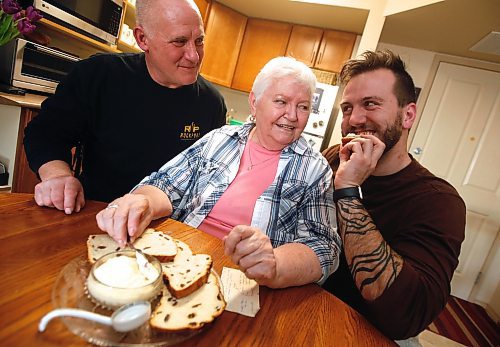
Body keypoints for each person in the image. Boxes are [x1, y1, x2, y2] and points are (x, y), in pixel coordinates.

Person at [96, 56, 340, 288]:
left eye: (303, 107)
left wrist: (275, 265)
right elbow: (166, 184)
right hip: (181, 259)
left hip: (245, 282)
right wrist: (143, 201)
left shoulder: (315, 170)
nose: (292, 115)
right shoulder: (219, 139)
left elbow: (323, 248)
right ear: (254, 102)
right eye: (281, 101)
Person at [23, 0, 227, 214]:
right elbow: (45, 134)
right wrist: (58, 176)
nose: (194, 55)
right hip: (95, 209)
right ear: (142, 39)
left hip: (169, 224)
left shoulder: (211, 103)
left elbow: (210, 178)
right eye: (179, 41)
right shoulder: (98, 75)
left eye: (200, 41)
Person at [321, 50, 466, 340]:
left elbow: (407, 317)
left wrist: (348, 191)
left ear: (408, 114)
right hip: (310, 305)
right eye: (347, 108)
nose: (355, 119)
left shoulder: (439, 201)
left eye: (371, 104)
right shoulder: (334, 157)